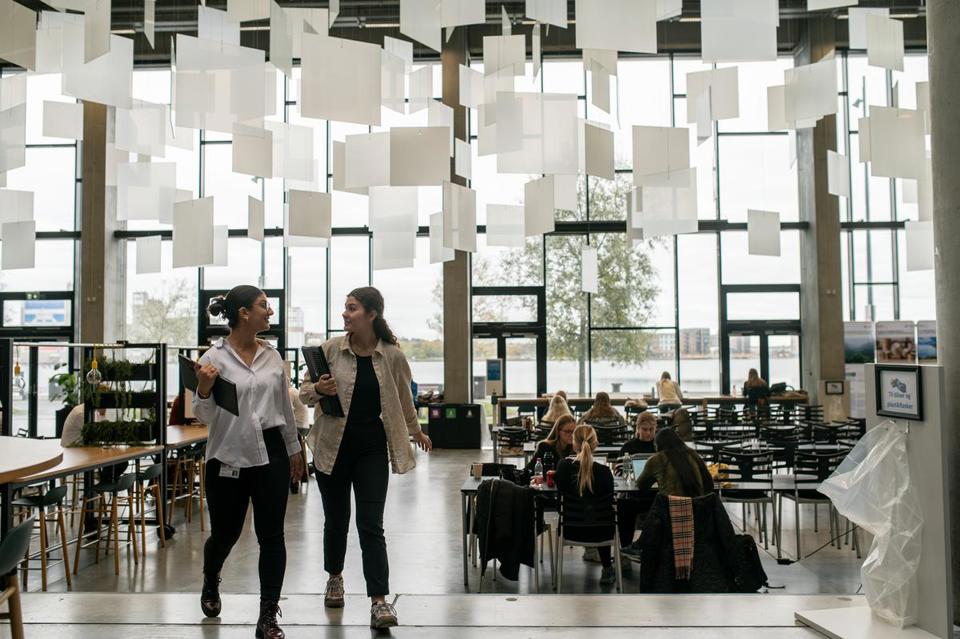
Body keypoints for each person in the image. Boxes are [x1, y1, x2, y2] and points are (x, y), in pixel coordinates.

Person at [300, 286, 432, 630]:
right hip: (333, 446)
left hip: (372, 448)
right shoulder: (328, 350)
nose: (345, 314)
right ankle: (335, 576)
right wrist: (319, 390)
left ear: (372, 314)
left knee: (371, 524)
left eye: (352, 308)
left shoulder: (392, 355)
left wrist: (416, 432)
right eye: (345, 308)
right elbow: (303, 393)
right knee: (336, 519)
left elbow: (404, 399)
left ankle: (379, 601)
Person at [192, 285, 303, 639]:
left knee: (272, 536)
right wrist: (204, 389)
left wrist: (294, 448)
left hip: (270, 451)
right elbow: (203, 416)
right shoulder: (213, 358)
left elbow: (284, 407)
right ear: (243, 313)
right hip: (228, 453)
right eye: (263, 306)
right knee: (226, 533)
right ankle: (212, 577)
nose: (269, 313)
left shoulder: (272, 356)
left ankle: (267, 617)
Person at [554, 424, 617, 585]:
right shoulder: (605, 472)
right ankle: (607, 568)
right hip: (603, 533)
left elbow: (558, 497)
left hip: (572, 530)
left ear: (573, 443)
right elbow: (610, 503)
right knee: (599, 517)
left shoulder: (563, 467)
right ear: (595, 444)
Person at [636, 427, 714, 498]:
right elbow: (709, 484)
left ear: (657, 445)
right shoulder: (693, 454)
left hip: (670, 510)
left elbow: (641, 485)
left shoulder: (657, 459)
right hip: (699, 509)